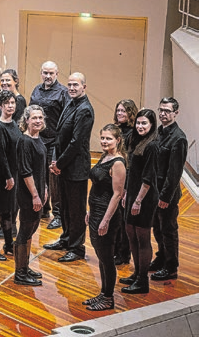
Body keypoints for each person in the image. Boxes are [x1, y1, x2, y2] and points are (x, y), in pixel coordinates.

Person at [46, 72, 94, 263]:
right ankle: (66, 239)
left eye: (76, 85)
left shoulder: (85, 109)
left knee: (76, 210)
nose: (72, 88)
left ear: (84, 87)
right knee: (64, 207)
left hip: (76, 168)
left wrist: (59, 163)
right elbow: (60, 136)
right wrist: (57, 161)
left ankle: (77, 247)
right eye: (70, 85)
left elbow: (76, 142)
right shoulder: (70, 102)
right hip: (65, 166)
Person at [82, 124, 127, 310]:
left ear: (117, 140)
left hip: (107, 215)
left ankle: (108, 298)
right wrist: (90, 211)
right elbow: (98, 187)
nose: (104, 141)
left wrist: (105, 220)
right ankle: (103, 293)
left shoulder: (117, 163)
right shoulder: (104, 156)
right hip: (96, 212)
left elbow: (117, 194)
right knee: (101, 255)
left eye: (108, 138)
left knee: (107, 257)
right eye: (102, 138)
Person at [120, 108, 159, 294]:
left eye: (145, 123)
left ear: (152, 126)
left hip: (144, 197)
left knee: (142, 238)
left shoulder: (152, 146)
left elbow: (148, 178)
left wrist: (137, 201)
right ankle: (136, 274)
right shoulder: (135, 141)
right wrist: (127, 192)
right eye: (138, 123)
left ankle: (143, 281)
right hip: (133, 194)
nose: (140, 126)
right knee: (131, 235)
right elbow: (131, 172)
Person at [150, 97, 188, 281]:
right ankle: (162, 257)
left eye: (167, 111)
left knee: (168, 230)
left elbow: (174, 174)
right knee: (157, 228)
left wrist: (165, 196)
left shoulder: (178, 138)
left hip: (167, 194)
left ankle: (171, 267)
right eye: (161, 110)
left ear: (175, 113)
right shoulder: (158, 132)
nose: (163, 114)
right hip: (154, 191)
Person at [30, 61, 69, 229]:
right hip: (38, 139)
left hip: (54, 140)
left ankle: (58, 214)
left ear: (57, 74)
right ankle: (43, 209)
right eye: (45, 72)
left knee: (54, 177)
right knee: (40, 173)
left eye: (51, 73)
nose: (47, 76)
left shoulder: (63, 93)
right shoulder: (36, 90)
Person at [0, 91, 22, 260]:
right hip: (1, 174)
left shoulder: (14, 123)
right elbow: (0, 155)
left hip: (12, 173)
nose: (10, 106)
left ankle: (8, 244)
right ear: (0, 106)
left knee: (8, 210)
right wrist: (8, 176)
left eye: (13, 102)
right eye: (7, 103)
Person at [14, 105, 47, 287]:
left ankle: (25, 266)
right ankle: (20, 273)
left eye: (40, 117)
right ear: (26, 120)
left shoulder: (38, 139)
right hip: (28, 195)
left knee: (31, 230)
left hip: (38, 192)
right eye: (34, 118)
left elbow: (40, 169)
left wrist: (45, 189)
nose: (38, 121)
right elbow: (26, 171)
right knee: (25, 231)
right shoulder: (24, 141)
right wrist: (35, 195)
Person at [112, 99, 138, 265]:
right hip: (114, 178)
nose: (120, 114)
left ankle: (123, 254)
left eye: (123, 111)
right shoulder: (116, 130)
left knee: (123, 220)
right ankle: (115, 251)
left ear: (131, 113)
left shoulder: (133, 133)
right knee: (115, 218)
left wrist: (126, 188)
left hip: (125, 180)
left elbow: (130, 163)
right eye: (118, 110)